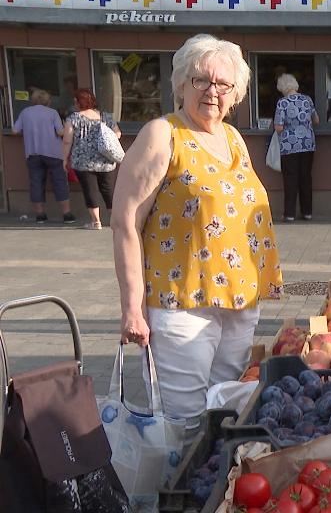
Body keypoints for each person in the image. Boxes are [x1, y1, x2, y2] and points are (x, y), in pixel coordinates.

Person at [110, 34, 283, 436]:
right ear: (182, 84)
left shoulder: (233, 139)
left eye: (223, 85)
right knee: (184, 423)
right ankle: (175, 494)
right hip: (181, 304)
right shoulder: (162, 134)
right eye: (201, 80)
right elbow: (125, 223)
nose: (212, 92)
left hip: (239, 301)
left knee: (223, 409)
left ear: (235, 93)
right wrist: (132, 308)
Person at [12, 89, 74, 224]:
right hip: (53, 152)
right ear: (48, 101)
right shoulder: (52, 113)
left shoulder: (25, 113)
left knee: (36, 183)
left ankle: (40, 215)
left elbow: (15, 130)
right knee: (59, 182)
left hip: (33, 152)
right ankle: (66, 214)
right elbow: (60, 132)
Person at [62, 88, 121, 230]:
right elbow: (118, 134)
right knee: (108, 190)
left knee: (90, 191)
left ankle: (96, 222)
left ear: (77, 102)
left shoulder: (73, 118)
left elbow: (67, 141)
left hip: (83, 162)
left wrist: (64, 159)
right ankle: (115, 221)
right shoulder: (105, 116)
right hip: (106, 160)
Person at [273, 73, 319, 221]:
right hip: (307, 143)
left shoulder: (282, 103)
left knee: (290, 179)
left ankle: (289, 214)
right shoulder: (307, 100)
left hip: (289, 146)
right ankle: (307, 212)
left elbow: (279, 127)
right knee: (306, 177)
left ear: (282, 87)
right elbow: (316, 120)